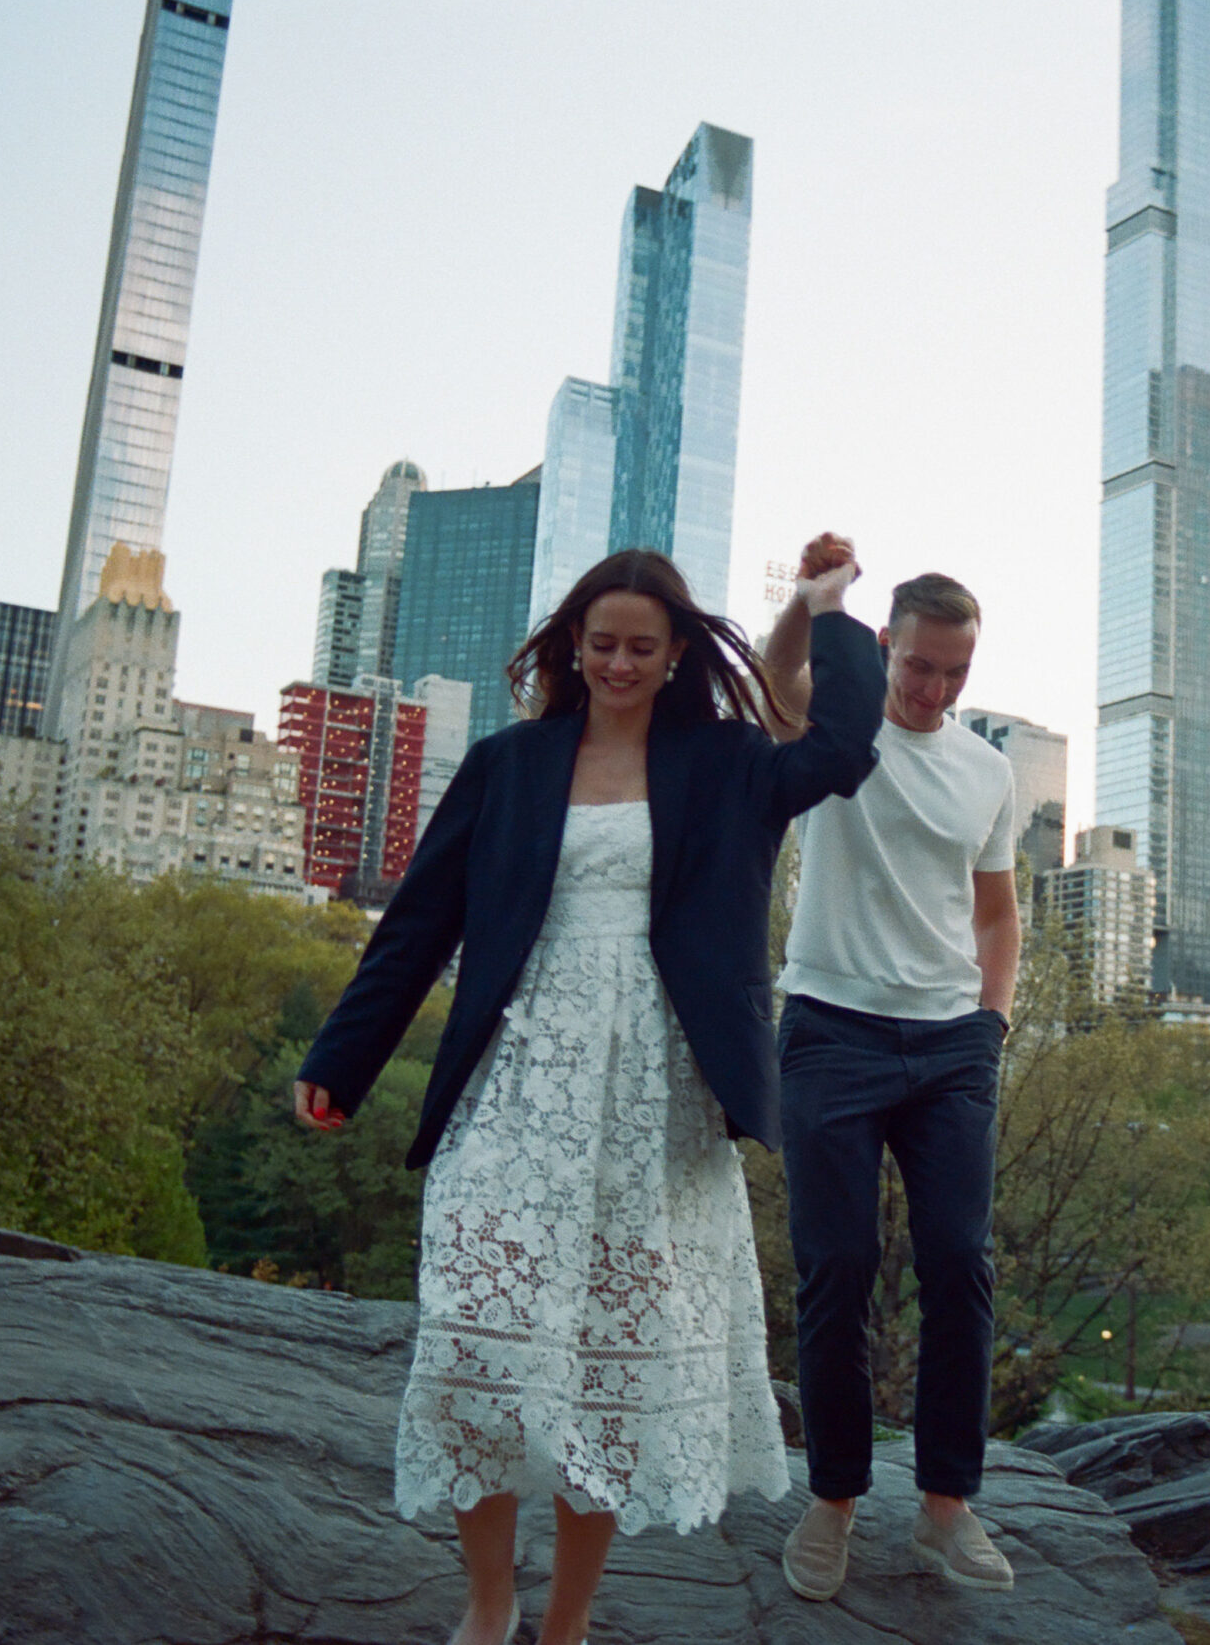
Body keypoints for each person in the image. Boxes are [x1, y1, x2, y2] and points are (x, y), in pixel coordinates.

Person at [288, 545, 882, 1645]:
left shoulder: (730, 762)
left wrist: (823, 609)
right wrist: (340, 1060)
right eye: (599, 642)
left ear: (673, 657)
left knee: (608, 1356)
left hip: (657, 1088)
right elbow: (420, 919)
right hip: (520, 1073)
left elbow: (844, 748)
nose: (616, 661)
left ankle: (564, 1621)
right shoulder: (510, 762)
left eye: (639, 647)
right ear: (573, 644)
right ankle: (485, 1601)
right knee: (475, 1333)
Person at [758, 541, 1024, 1599]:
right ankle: (833, 1499)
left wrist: (991, 1024)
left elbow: (997, 911)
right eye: (919, 666)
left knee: (960, 1262)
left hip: (949, 1043)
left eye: (955, 672)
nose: (934, 688)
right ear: (884, 648)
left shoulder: (990, 770)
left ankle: (946, 1506)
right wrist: (809, 600)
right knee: (839, 1265)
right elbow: (778, 679)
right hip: (832, 1028)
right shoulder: (841, 724)